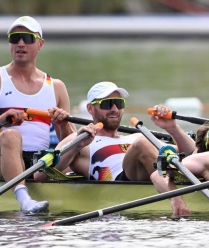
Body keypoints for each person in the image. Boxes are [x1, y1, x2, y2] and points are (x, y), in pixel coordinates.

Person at [0, 16, 75, 214]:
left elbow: (69, 142)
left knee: (80, 140)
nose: (20, 43)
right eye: (15, 38)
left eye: (27, 38)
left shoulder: (56, 87)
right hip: (0, 160)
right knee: (10, 134)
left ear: (40, 44)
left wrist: (62, 125)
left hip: (38, 164)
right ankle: (24, 199)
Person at [33, 83, 195, 203]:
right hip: (120, 180)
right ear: (90, 109)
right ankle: (178, 195)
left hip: (154, 172)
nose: (114, 109)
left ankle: (178, 181)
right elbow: (40, 175)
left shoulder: (134, 136)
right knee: (143, 144)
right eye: (107, 104)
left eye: (119, 104)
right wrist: (77, 146)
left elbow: (191, 154)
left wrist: (173, 128)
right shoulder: (82, 138)